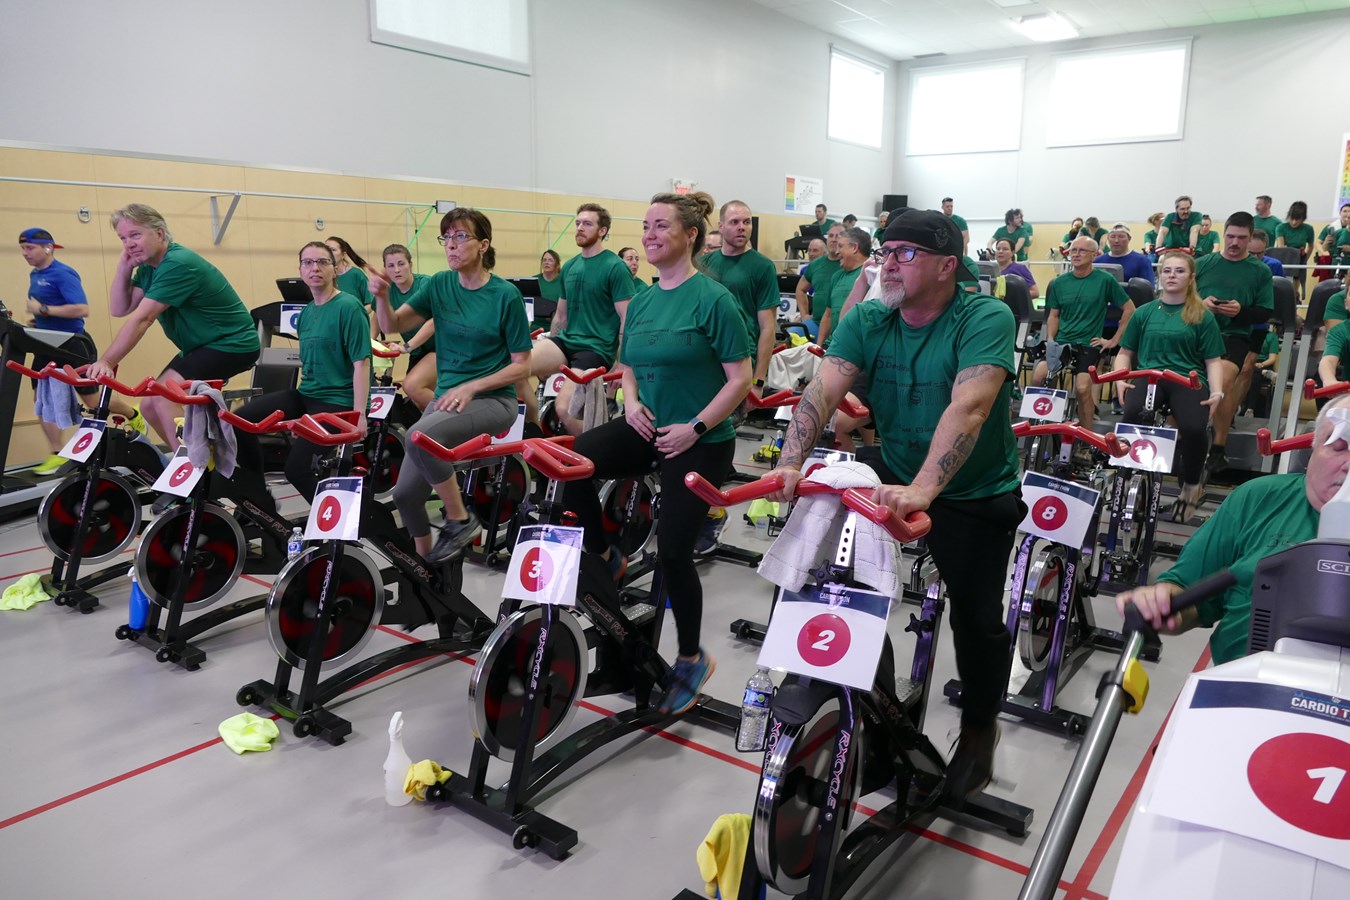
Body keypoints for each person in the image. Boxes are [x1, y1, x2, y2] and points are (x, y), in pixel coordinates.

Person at [770, 208, 1023, 799]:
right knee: (831, 575)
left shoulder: (982, 316)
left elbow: (971, 408)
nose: (888, 263)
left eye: (905, 254)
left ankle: (980, 729)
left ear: (947, 266)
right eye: (885, 252)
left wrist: (925, 489)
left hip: (973, 488)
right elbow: (823, 390)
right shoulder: (870, 316)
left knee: (976, 619)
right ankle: (871, 701)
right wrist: (789, 460)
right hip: (896, 468)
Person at [563, 191, 752, 715]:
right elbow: (627, 368)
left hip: (701, 440)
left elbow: (740, 379)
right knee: (574, 460)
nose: (649, 234)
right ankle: (608, 555)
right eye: (645, 226)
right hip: (647, 427)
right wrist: (632, 404)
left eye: (661, 225)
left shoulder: (713, 299)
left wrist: (695, 427)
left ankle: (691, 657)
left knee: (672, 551)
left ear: (690, 235)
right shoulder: (643, 299)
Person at [1115, 393, 1350, 666]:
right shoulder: (1259, 499)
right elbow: (1185, 593)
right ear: (1313, 449)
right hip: (1240, 680)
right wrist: (1161, 603)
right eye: (1339, 447)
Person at [368, 208, 531, 563]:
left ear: (483, 245)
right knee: (405, 495)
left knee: (417, 437)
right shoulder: (440, 284)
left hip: (493, 401)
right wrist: (381, 296)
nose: (451, 245)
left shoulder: (505, 296)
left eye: (461, 237)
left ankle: (460, 519)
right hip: (448, 400)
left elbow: (522, 366)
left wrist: (472, 387)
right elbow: (393, 325)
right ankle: (425, 570)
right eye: (447, 238)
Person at [88, 204, 260, 450]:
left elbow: (143, 319)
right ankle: (186, 461)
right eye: (123, 238)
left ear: (159, 234)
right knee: (149, 405)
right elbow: (119, 308)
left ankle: (192, 464)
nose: (129, 244)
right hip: (202, 346)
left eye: (135, 235)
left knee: (164, 398)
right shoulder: (149, 268)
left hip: (232, 344)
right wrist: (123, 268)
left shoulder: (178, 263)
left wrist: (107, 361)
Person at [232, 242, 371, 502]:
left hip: (337, 402)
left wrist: (360, 414)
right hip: (307, 395)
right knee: (239, 422)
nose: (314, 268)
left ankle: (338, 521)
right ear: (300, 270)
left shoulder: (349, 307)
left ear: (335, 269)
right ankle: (260, 501)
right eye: (307, 262)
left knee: (297, 470)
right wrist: (302, 416)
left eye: (322, 262)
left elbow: (361, 364)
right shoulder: (307, 313)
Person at [18, 228, 147, 474]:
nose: (25, 253)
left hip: (73, 345)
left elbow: (81, 309)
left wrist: (43, 310)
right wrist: (40, 320)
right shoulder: (35, 274)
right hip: (45, 344)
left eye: (30, 248)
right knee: (42, 401)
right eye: (23, 248)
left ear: (48, 248)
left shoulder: (63, 273)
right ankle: (56, 453)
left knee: (92, 400)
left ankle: (133, 413)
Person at [1110, 251, 1226, 522]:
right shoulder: (1144, 313)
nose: (1172, 275)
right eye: (1167, 270)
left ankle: (1192, 485)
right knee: (1132, 415)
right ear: (1160, 275)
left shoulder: (1201, 316)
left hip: (1187, 379)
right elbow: (1125, 353)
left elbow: (1213, 360)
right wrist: (1119, 378)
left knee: (1194, 428)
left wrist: (1217, 392)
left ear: (1191, 278)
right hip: (1150, 376)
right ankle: (1125, 479)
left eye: (1179, 271)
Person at [521, 203, 634, 435]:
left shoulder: (615, 267)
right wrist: (549, 345)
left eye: (587, 224)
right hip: (566, 341)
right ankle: (536, 435)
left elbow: (627, 318)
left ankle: (591, 446)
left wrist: (623, 362)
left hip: (596, 348)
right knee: (513, 368)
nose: (580, 228)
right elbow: (561, 316)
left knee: (565, 409)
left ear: (602, 231)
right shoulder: (570, 266)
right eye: (578, 223)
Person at [1197, 212, 1273, 474]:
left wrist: (1240, 311)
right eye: (1230, 236)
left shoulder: (1260, 271)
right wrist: (1201, 304)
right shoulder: (1203, 263)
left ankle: (1218, 446)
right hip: (1197, 333)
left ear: (1250, 238)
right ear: (1224, 234)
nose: (1234, 242)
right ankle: (1189, 439)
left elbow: (1264, 312)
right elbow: (1181, 298)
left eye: (1241, 238)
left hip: (1234, 336)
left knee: (1224, 380)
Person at [1034, 236, 1135, 433]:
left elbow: (1130, 309)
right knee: (1039, 377)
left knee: (1082, 389)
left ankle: (1086, 439)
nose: (1076, 254)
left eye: (1082, 251)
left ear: (1094, 255)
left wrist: (1114, 340)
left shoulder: (1105, 280)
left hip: (1089, 345)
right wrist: (1051, 340)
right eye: (1073, 250)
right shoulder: (1059, 283)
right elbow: (1054, 316)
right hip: (1062, 343)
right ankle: (1045, 430)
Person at [379, 244, 437, 410]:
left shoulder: (425, 284)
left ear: (410, 265)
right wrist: (369, 341)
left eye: (401, 264)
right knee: (418, 400)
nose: (396, 270)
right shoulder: (388, 290)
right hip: (418, 352)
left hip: (442, 347)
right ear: (385, 269)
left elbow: (434, 321)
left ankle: (456, 417)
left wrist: (406, 346)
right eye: (391, 266)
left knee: (411, 386)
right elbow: (377, 316)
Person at [816, 227, 870, 346]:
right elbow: (828, 315)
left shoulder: (872, 275)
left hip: (856, 346)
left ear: (854, 247)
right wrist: (818, 347)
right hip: (833, 344)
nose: (836, 252)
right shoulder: (837, 276)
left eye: (840, 246)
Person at [795, 223, 845, 337]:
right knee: (790, 337)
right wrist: (804, 315)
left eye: (838, 236)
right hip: (816, 324)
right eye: (831, 236)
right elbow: (800, 290)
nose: (834, 239)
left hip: (839, 327)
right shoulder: (815, 264)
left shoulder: (847, 264)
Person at [324, 237, 375, 320]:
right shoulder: (324, 277)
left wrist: (355, 317)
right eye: (326, 250)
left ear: (343, 255)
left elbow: (371, 303)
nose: (329, 253)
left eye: (333, 250)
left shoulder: (356, 274)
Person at [1275, 201, 1316, 296]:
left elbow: (1310, 246)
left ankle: (1294, 296)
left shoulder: (1308, 229)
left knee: (1294, 289)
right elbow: (1281, 247)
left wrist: (1304, 259)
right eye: (1292, 218)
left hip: (1298, 261)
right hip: (1284, 259)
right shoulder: (1281, 227)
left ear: (1303, 219)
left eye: (1297, 219)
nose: (1294, 222)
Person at [534, 249, 563, 331]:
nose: (546, 262)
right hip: (536, 327)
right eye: (544, 260)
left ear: (557, 264)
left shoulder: (563, 281)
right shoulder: (534, 281)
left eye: (550, 260)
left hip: (558, 327)